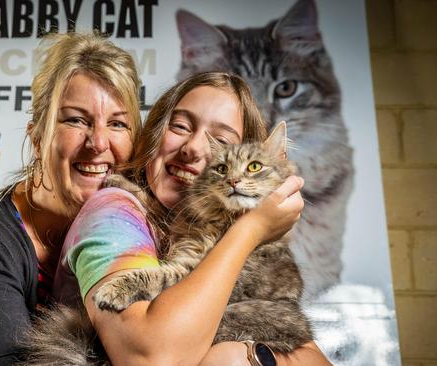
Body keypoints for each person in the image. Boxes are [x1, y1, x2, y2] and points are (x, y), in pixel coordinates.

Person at [54, 72, 332, 366]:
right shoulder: (114, 210)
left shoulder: (217, 228)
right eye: (180, 126)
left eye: (222, 141)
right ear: (154, 131)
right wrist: (251, 229)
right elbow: (153, 358)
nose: (194, 148)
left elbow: (306, 349)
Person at [0, 32, 142, 365]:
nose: (98, 142)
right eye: (76, 120)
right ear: (38, 137)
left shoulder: (131, 231)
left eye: (117, 123)